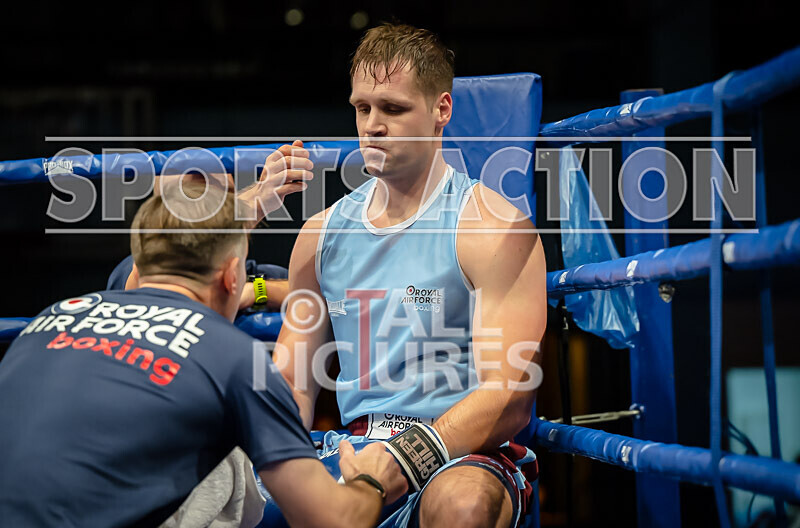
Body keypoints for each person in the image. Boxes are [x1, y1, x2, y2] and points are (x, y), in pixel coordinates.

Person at [0, 183, 407, 527]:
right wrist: (371, 482)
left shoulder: (52, 317)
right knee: (229, 466)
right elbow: (333, 519)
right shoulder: (231, 355)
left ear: (137, 273)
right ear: (233, 278)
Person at [276, 23, 547, 527]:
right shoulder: (320, 234)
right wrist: (270, 462)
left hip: (462, 451)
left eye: (393, 109)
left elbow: (510, 393)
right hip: (351, 447)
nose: (372, 126)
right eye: (362, 108)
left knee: (462, 507)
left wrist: (406, 458)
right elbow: (293, 384)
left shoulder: (493, 227)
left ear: (441, 109)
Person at [107, 141, 306, 311]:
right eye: (189, 195)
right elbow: (167, 283)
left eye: (221, 199)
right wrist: (254, 202)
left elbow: (327, 300)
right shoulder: (136, 266)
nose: (209, 209)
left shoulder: (265, 276)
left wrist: (259, 290)